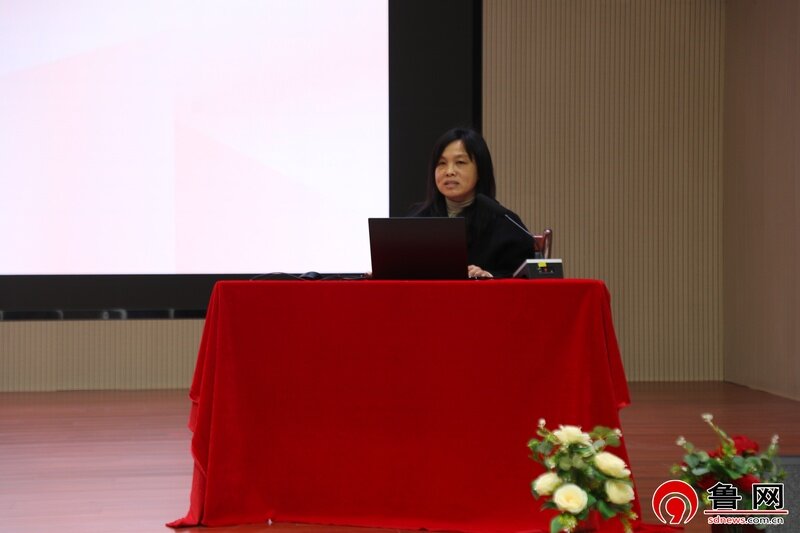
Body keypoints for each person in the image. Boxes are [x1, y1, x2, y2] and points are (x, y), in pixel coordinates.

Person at [411, 127, 534, 278]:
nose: (449, 171)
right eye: (441, 163)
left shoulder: (504, 222)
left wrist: (489, 275)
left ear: (480, 170)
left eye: (460, 162)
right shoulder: (417, 218)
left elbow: (521, 276)